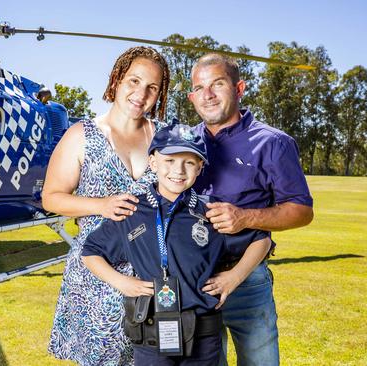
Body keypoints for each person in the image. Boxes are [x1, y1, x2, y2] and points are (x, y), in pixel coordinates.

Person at [81, 123, 272, 366]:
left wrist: (234, 277)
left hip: (203, 335)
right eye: (169, 160)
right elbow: (90, 252)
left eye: (189, 162)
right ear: (153, 162)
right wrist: (121, 282)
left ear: (200, 167)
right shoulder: (131, 210)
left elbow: (261, 240)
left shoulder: (212, 211)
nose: (178, 170)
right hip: (150, 335)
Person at [43, 46, 170, 365]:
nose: (141, 93)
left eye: (152, 87)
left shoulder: (164, 140)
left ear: (160, 94)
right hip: (95, 280)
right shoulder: (80, 135)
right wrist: (100, 205)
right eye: (134, 81)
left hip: (151, 280)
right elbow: (51, 197)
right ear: (116, 80)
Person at [187, 53, 314, 365]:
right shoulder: (184, 143)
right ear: (191, 97)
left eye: (218, 84)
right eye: (199, 87)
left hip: (247, 279)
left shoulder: (273, 142)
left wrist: (245, 217)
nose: (208, 94)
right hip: (193, 281)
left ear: (239, 87)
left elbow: (301, 210)